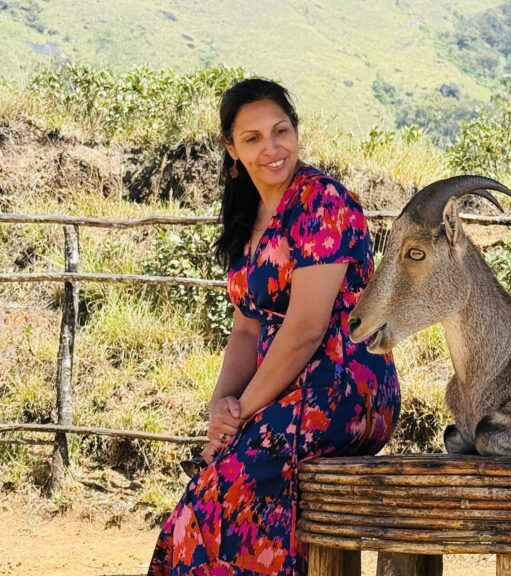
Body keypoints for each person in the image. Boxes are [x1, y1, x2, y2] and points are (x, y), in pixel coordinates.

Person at [148, 78, 400, 576]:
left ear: (296, 130)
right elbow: (246, 331)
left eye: (280, 131)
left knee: (233, 487)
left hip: (344, 387)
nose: (271, 148)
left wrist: (241, 411)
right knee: (197, 502)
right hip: (278, 393)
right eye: (253, 138)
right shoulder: (248, 215)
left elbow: (306, 329)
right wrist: (219, 416)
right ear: (231, 148)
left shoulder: (323, 203)